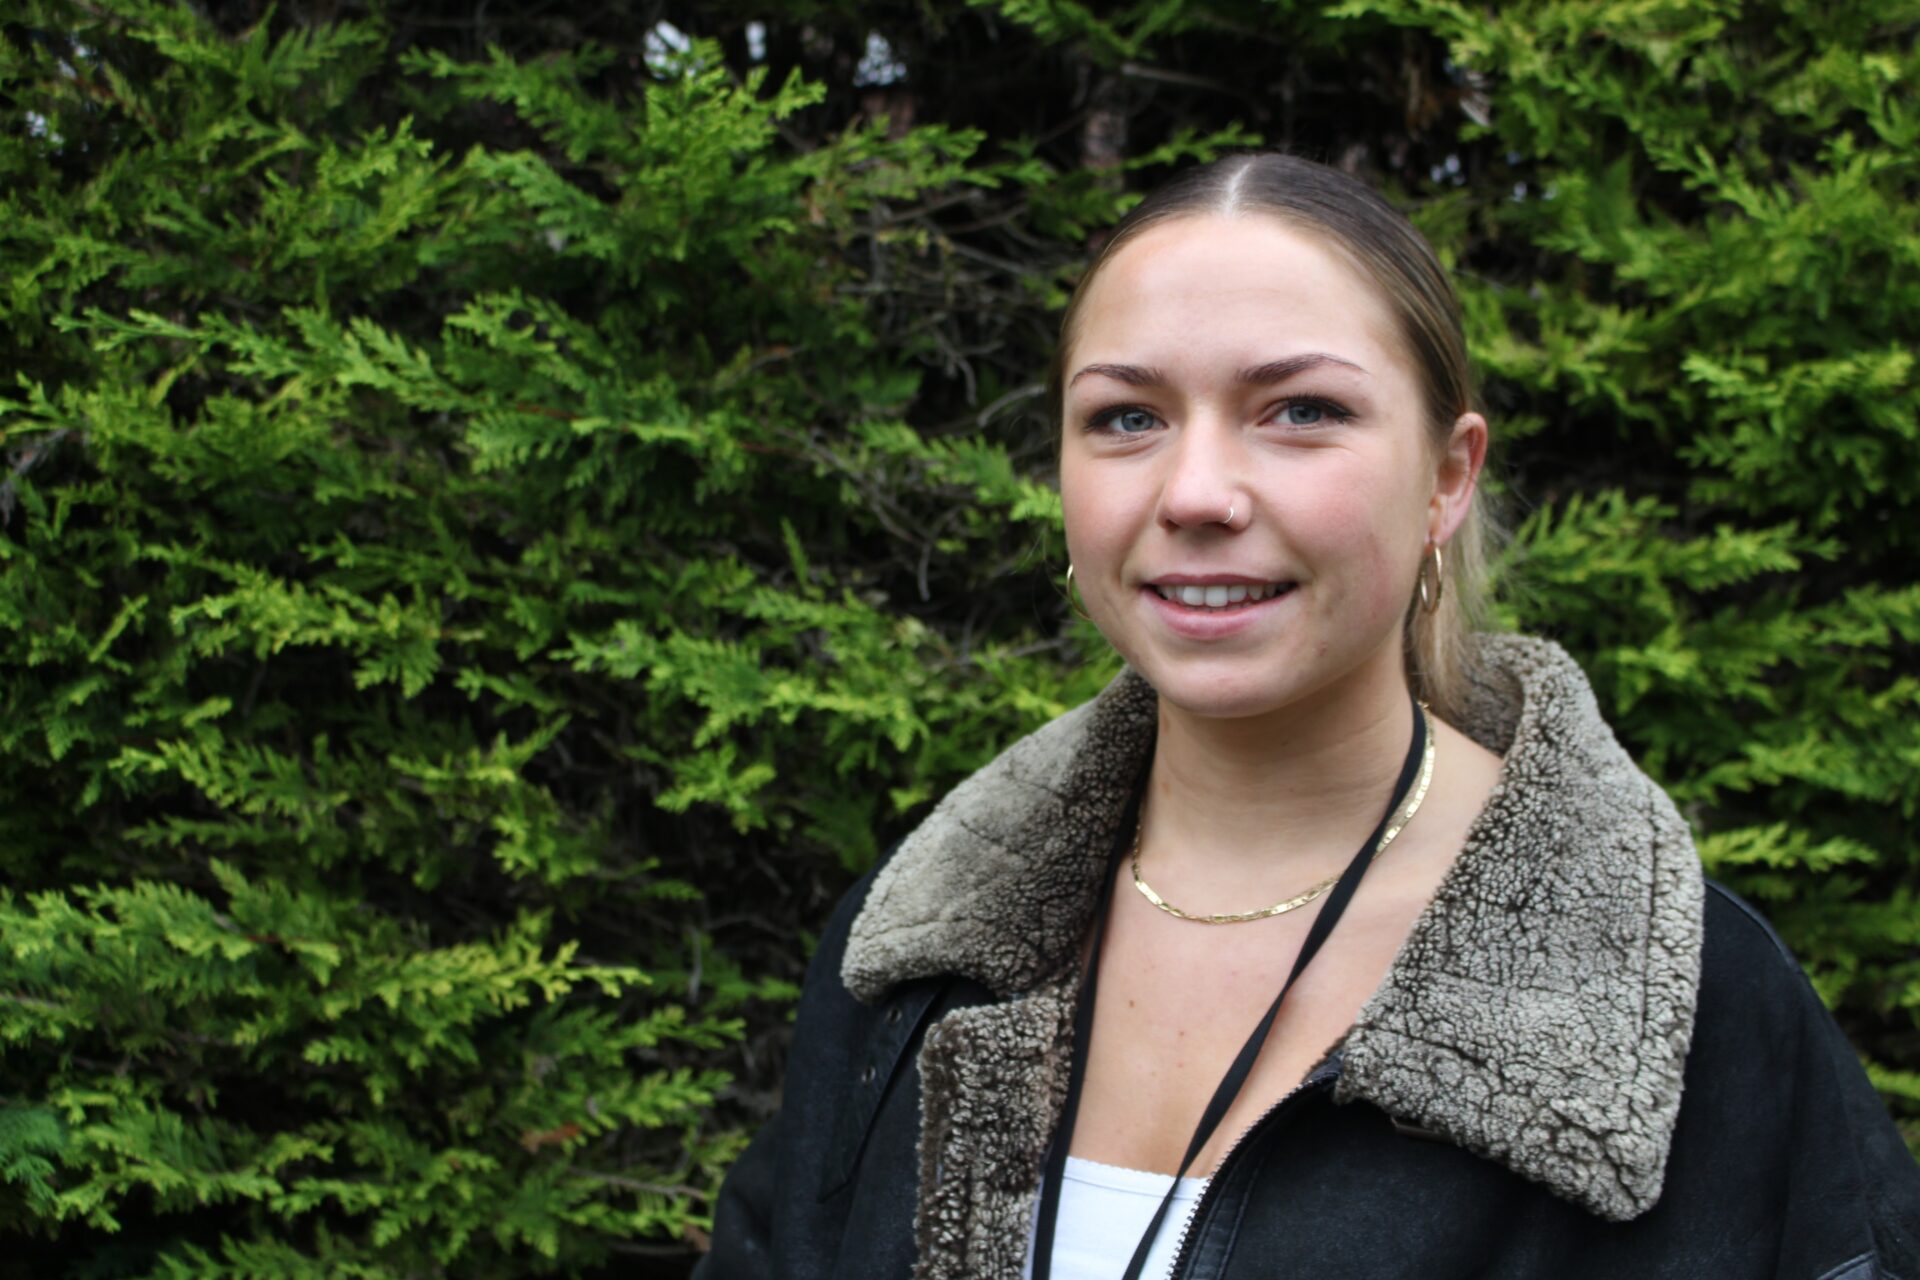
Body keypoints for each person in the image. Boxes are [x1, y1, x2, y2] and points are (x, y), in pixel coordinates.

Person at [695, 152, 1920, 1279]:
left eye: (1301, 411)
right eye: (1127, 416)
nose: (1197, 491)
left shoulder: (1694, 1003)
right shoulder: (911, 955)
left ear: (1448, 476)